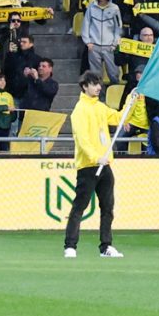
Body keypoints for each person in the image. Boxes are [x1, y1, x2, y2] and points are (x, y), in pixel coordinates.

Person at [62, 71, 123, 258]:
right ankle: (70, 246)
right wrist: (96, 158)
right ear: (84, 87)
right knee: (80, 206)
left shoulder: (100, 107)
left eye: (99, 84)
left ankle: (106, 246)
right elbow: (82, 140)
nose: (98, 87)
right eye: (94, 84)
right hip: (88, 166)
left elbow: (118, 117)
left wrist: (132, 100)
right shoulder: (79, 110)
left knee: (107, 208)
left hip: (105, 166)